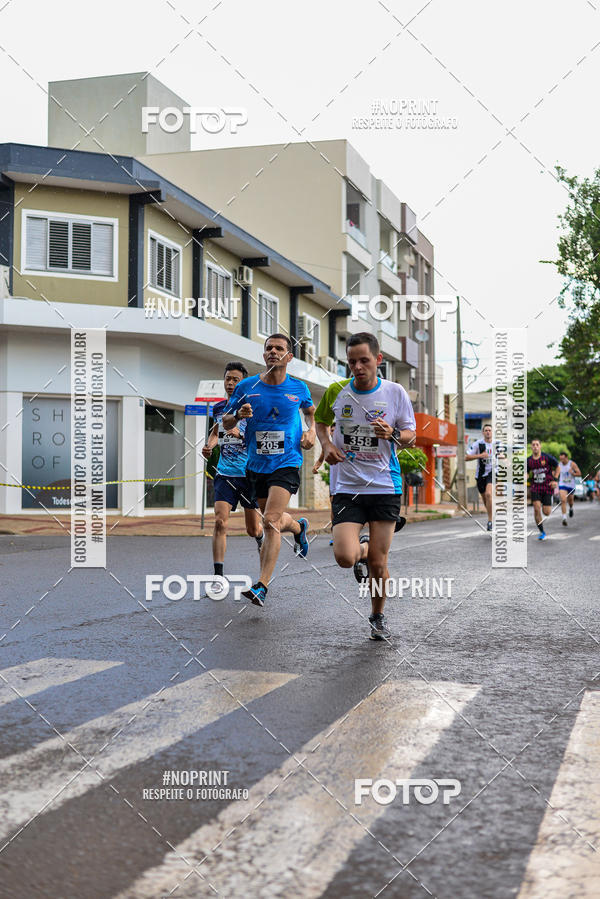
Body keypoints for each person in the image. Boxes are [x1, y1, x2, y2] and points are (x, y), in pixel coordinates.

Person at [315, 332, 416, 641]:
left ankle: (377, 616)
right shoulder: (336, 391)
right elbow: (320, 422)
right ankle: (362, 548)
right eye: (352, 361)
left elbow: (410, 433)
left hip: (385, 485)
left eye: (364, 361)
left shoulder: (395, 392)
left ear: (378, 360)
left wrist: (394, 434)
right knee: (345, 557)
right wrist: (327, 444)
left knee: (378, 562)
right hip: (347, 486)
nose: (358, 367)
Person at [222, 333, 315, 607]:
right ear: (264, 355)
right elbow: (226, 422)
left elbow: (311, 412)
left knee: (270, 520)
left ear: (289, 357)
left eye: (279, 348)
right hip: (256, 464)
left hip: (287, 462)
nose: (273, 352)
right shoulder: (246, 387)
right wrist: (238, 415)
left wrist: (311, 433)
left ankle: (261, 585)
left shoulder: (299, 388)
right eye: (268, 348)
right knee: (271, 521)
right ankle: (298, 527)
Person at [201, 362, 264, 593]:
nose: (230, 383)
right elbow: (216, 432)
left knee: (252, 529)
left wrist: (243, 434)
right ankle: (218, 577)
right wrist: (208, 446)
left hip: (248, 474)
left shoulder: (252, 408)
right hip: (224, 473)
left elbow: (261, 438)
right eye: (227, 378)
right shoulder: (219, 408)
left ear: (243, 384)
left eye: (235, 380)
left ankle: (260, 537)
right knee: (219, 522)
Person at [527, 439, 559, 540]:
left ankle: (550, 501)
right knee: (536, 508)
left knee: (547, 512)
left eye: (537, 445)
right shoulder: (528, 460)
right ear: (531, 447)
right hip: (535, 486)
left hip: (547, 486)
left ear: (540, 446)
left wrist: (555, 479)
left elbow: (557, 467)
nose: (535, 446)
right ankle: (541, 531)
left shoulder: (547, 457)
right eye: (533, 445)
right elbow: (526, 472)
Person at [465, 423, 495, 532]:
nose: (488, 432)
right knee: (485, 499)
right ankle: (491, 513)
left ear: (492, 432)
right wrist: (480, 456)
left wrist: (505, 460)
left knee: (488, 494)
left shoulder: (497, 444)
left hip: (492, 472)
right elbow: (466, 457)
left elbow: (503, 456)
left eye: (490, 430)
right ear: (483, 432)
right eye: (486, 430)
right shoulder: (478, 444)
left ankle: (490, 521)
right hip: (480, 475)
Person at [557, 451, 581, 525]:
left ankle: (571, 508)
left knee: (570, 501)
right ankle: (564, 518)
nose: (562, 461)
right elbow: (556, 473)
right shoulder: (559, 465)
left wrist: (573, 473)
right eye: (560, 459)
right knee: (563, 500)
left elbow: (579, 473)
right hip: (562, 484)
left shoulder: (572, 464)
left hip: (571, 485)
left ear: (566, 458)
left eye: (563, 459)